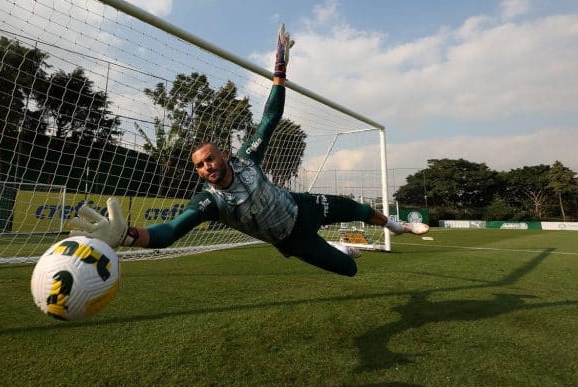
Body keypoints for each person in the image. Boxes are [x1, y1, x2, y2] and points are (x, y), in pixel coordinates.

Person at [69, 25, 428, 277]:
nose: (207, 167)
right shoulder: (209, 203)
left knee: (357, 208)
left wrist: (280, 71)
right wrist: (129, 235)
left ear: (224, 155)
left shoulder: (246, 158)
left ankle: (396, 226)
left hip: (302, 206)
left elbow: (270, 118)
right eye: (199, 166)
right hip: (292, 240)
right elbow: (169, 232)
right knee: (348, 269)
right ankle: (343, 250)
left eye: (210, 158)